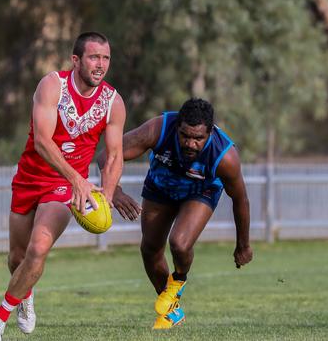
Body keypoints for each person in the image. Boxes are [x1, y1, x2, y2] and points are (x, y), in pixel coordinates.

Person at [0, 32, 126, 341]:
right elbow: (42, 142)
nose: (100, 65)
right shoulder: (52, 86)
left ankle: (0, 316)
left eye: (105, 58)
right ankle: (26, 294)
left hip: (63, 187)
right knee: (17, 258)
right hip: (31, 178)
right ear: (76, 60)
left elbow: (114, 155)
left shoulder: (113, 102)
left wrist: (108, 194)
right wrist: (78, 177)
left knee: (38, 248)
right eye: (93, 57)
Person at [97, 97, 252, 329]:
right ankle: (172, 311)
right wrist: (114, 191)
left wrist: (243, 245)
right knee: (149, 249)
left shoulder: (225, 156)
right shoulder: (158, 129)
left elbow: (240, 200)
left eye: (198, 138)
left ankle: (178, 281)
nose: (190, 143)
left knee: (179, 243)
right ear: (177, 126)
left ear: (210, 133)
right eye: (185, 136)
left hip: (201, 190)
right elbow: (107, 155)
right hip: (160, 186)